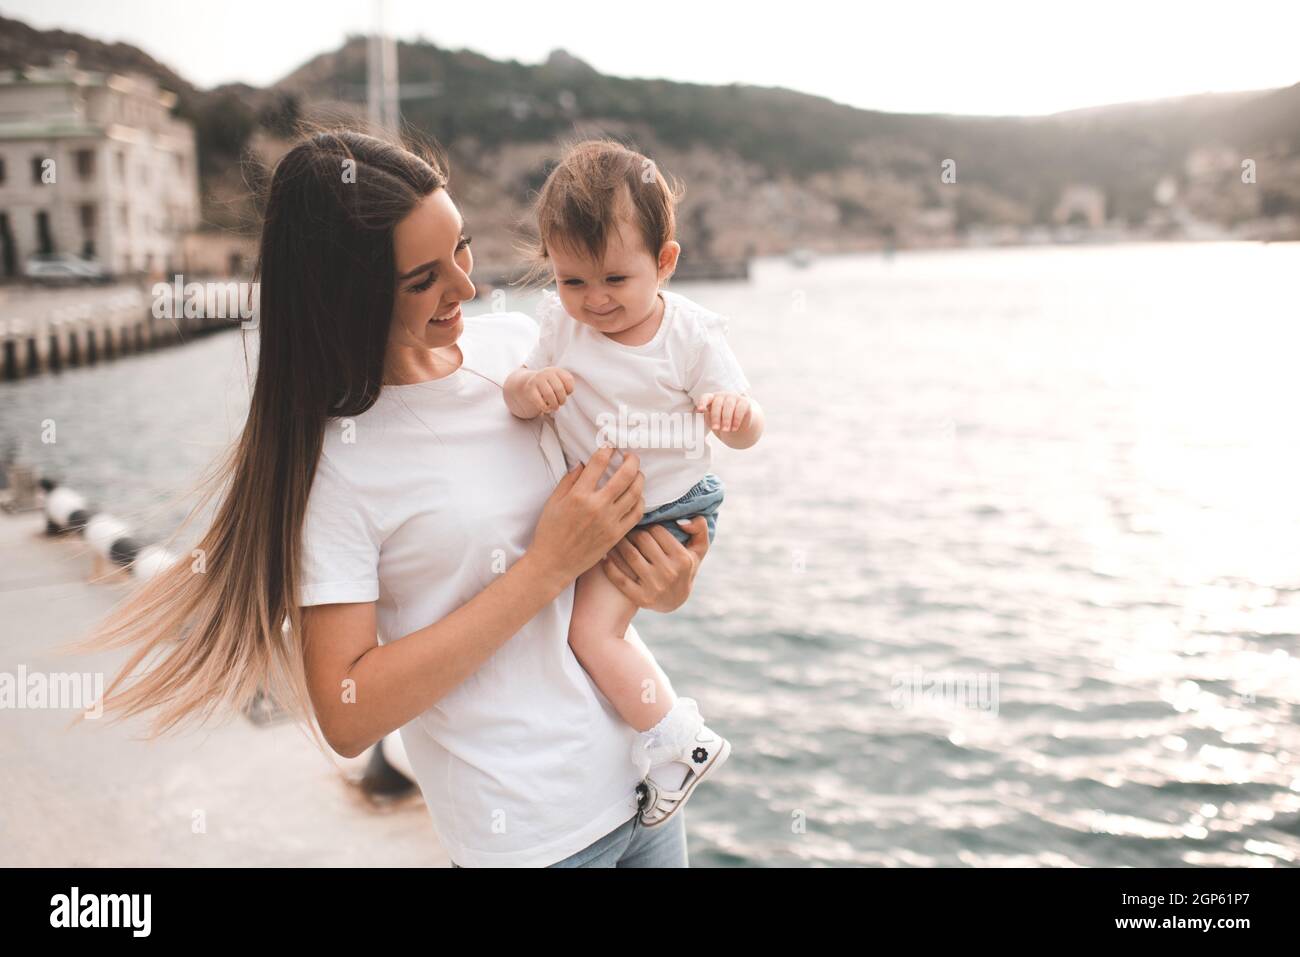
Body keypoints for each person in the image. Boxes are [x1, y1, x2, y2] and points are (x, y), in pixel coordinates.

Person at [74, 128, 712, 867]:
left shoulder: (521, 350)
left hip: (648, 784)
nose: (467, 288)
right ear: (350, 294)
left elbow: (619, 522)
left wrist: (667, 578)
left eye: (461, 249)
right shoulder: (335, 463)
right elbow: (348, 711)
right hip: (532, 836)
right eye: (423, 279)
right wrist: (542, 566)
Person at [504, 139, 764, 827]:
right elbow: (515, 390)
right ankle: (654, 739)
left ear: (665, 263)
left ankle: (680, 741)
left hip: (669, 507)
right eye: (572, 281)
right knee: (579, 627)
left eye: (616, 280)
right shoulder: (560, 327)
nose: (595, 301)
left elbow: (746, 427)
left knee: (591, 634)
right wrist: (535, 387)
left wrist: (734, 417)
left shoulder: (690, 337)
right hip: (608, 511)